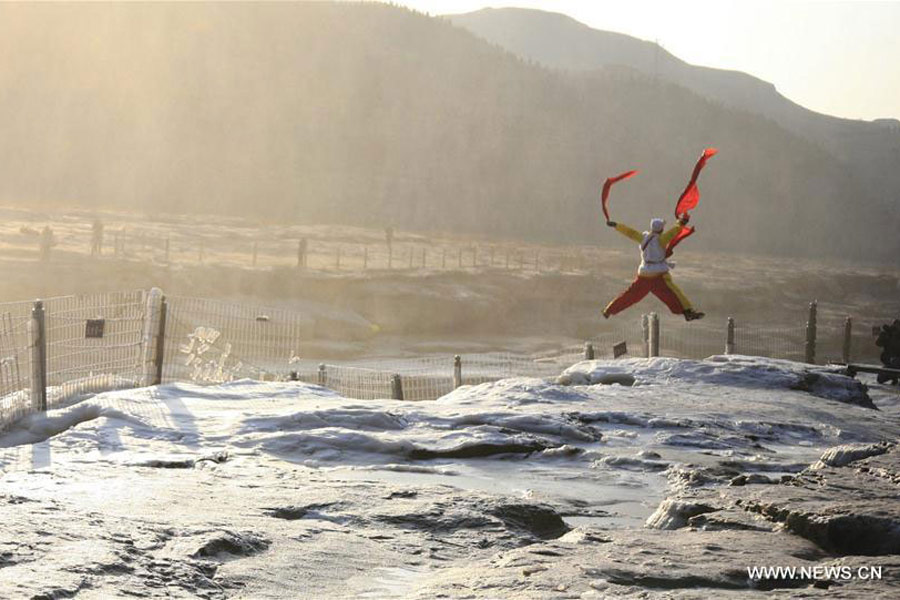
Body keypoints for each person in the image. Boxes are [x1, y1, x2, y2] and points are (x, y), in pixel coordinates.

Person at [602, 216, 704, 321]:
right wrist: (681, 222)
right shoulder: (662, 239)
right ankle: (688, 312)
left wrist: (616, 226)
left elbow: (630, 232)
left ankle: (608, 310)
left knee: (629, 296)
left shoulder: (643, 238)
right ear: (661, 229)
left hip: (644, 274)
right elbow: (674, 231)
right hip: (658, 275)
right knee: (674, 294)